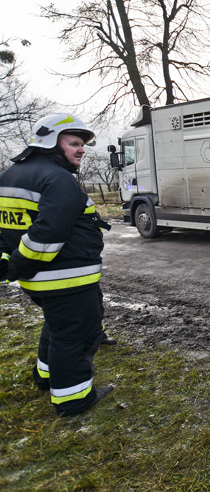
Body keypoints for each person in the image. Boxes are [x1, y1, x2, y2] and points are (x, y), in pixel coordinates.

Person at [0, 113, 114, 417]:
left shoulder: (11, 175)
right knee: (77, 335)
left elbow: (5, 228)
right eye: (74, 143)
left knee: (58, 328)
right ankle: (74, 400)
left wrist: (8, 260)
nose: (81, 149)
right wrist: (17, 265)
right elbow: (47, 234)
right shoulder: (57, 179)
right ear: (51, 143)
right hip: (66, 280)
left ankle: (46, 377)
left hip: (42, 282)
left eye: (82, 145)